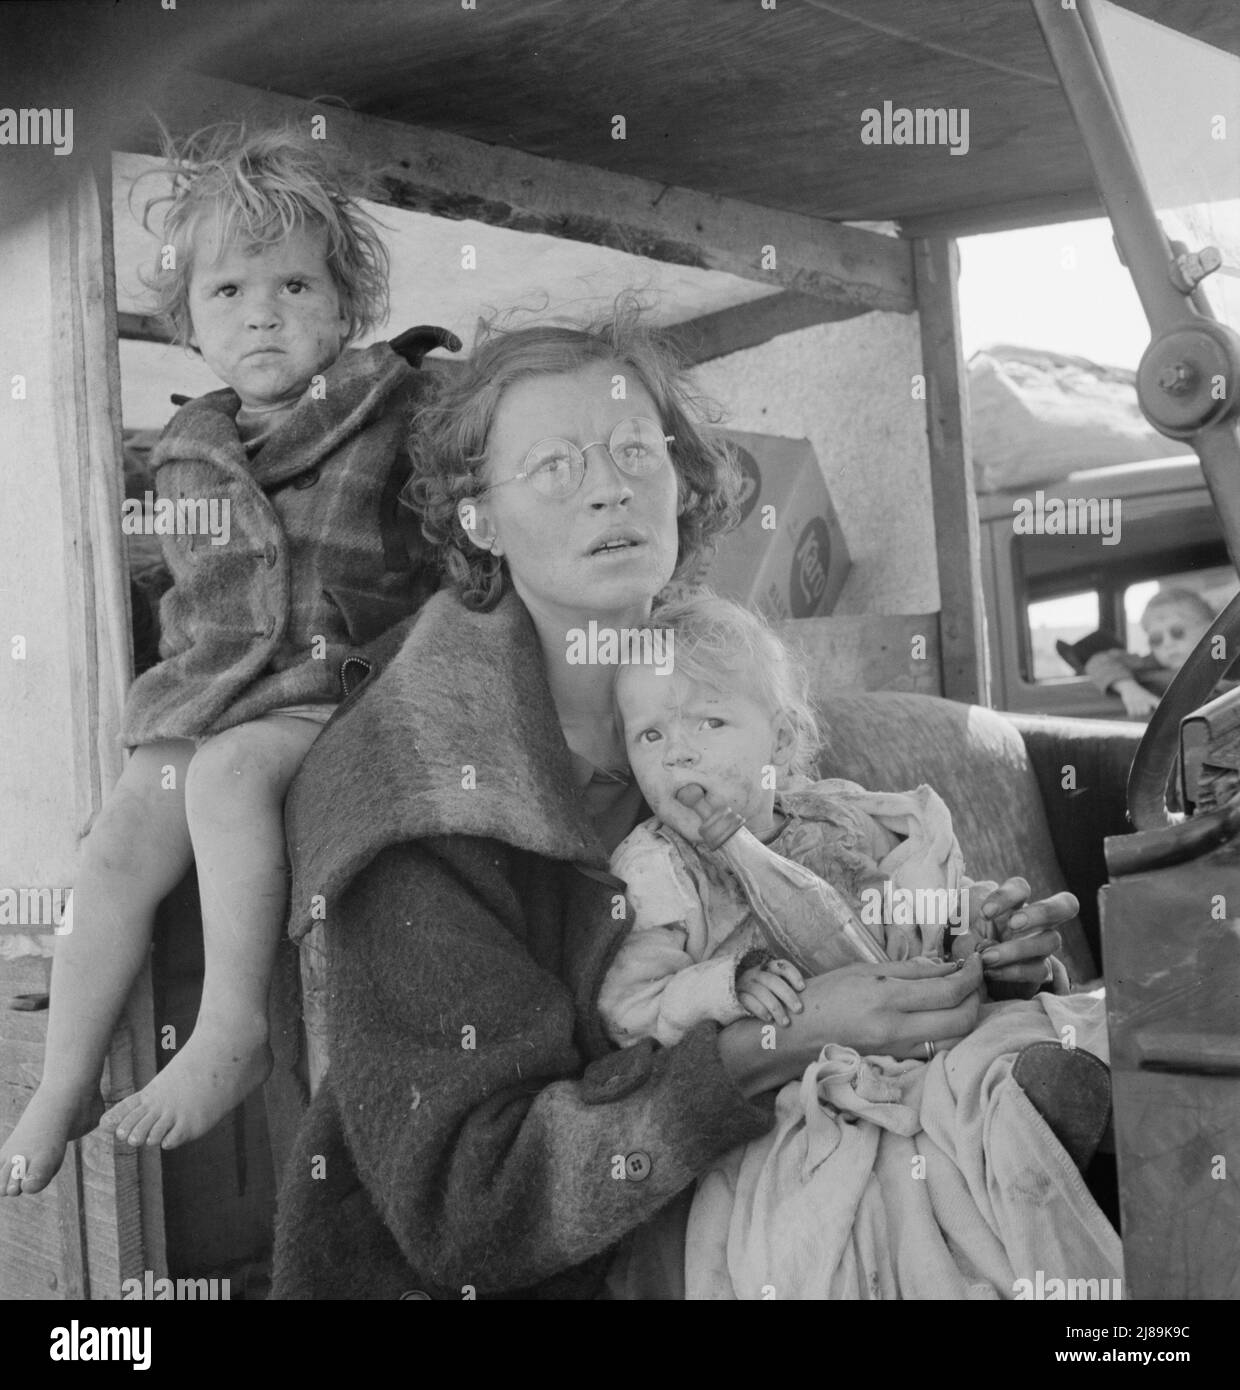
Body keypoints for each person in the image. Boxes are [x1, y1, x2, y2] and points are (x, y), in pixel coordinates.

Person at [268, 303, 1071, 1300]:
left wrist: (964, 957)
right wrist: (786, 1034)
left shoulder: (741, 709)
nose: (611, 487)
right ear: (477, 516)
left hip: (812, 1140)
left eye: (634, 451)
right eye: (555, 466)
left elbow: (844, 927)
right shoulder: (416, 788)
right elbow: (474, 1202)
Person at [1, 122, 436, 1195]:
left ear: (345, 307)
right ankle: (62, 1083)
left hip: (334, 678)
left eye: (294, 285)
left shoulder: (394, 404)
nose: (263, 312)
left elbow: (456, 517)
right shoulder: (187, 445)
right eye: (230, 291)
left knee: (232, 773)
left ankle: (232, 1025)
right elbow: (174, 586)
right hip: (207, 692)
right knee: (114, 842)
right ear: (190, 324)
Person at [596, 594, 1117, 1299]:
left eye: (709, 721)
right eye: (649, 736)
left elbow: (915, 915)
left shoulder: (846, 819)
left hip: (928, 1039)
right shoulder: (659, 874)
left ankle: (1039, 1104)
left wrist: (982, 931)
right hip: (798, 1096)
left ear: (779, 741)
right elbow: (630, 1011)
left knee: (1069, 1030)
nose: (678, 751)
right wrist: (724, 984)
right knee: (862, 1202)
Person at [1058, 587, 1225, 719]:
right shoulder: (1150, 663)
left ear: (1209, 629)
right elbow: (1099, 661)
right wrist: (1128, 688)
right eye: (1156, 639)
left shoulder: (1227, 657)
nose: (1167, 643)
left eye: (1177, 632)